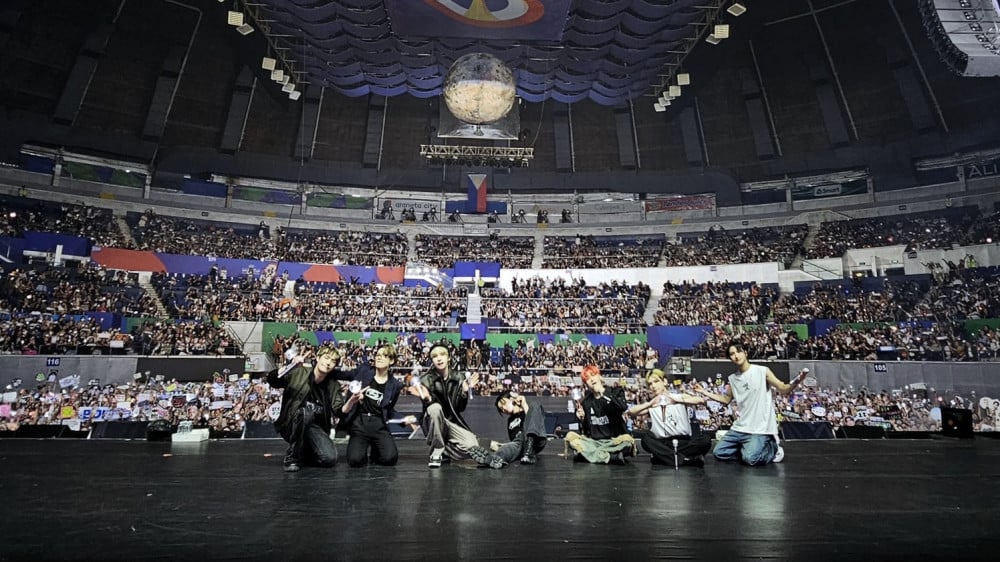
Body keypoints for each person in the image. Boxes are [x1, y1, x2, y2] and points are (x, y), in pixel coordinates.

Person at [694, 342, 807, 466]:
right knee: (719, 452)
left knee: (750, 459)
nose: (736, 356)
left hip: (759, 428)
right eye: (732, 354)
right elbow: (726, 399)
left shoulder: (762, 371)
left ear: (745, 353)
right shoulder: (732, 378)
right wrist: (704, 391)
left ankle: (773, 449)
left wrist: (798, 380)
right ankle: (748, 450)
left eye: (739, 351)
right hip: (741, 427)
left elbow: (783, 388)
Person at [410, 343, 504, 469]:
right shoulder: (425, 379)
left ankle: (445, 451)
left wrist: (464, 391)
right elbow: (430, 410)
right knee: (435, 408)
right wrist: (428, 398)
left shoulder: (458, 377)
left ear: (448, 357)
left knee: (471, 446)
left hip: (451, 424)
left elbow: (459, 408)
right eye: (434, 356)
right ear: (431, 360)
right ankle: (436, 453)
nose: (439, 358)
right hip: (433, 421)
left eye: (442, 354)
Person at [267, 347, 346, 472]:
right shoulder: (299, 372)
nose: (329, 362)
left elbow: (339, 410)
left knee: (329, 459)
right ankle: (292, 457)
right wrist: (290, 366)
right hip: (292, 421)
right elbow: (273, 380)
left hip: (315, 428)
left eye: (333, 361)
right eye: (326, 358)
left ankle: (303, 452)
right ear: (318, 358)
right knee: (305, 413)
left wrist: (352, 401)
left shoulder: (333, 384)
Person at [340, 345, 414, 468]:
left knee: (389, 458)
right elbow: (343, 375)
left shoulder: (395, 385)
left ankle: (375, 447)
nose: (379, 358)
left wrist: (403, 419)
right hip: (360, 423)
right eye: (378, 355)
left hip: (379, 424)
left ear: (391, 361)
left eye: (384, 356)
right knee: (355, 460)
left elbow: (389, 410)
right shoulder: (364, 371)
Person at [628, 369, 711, 467]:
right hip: (663, 443)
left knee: (706, 440)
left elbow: (700, 400)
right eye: (650, 384)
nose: (653, 386)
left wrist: (675, 400)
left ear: (665, 381)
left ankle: (664, 457)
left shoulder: (678, 397)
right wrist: (651, 403)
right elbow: (631, 412)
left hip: (683, 442)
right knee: (646, 440)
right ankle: (684, 460)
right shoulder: (652, 405)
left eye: (656, 381)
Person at [565, 365, 635, 465]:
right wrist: (582, 419)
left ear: (599, 376)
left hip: (614, 441)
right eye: (588, 379)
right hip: (594, 442)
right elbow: (586, 431)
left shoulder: (615, 392)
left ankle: (588, 455)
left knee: (628, 443)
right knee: (572, 439)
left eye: (593, 375)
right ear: (586, 384)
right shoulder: (586, 402)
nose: (592, 379)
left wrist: (603, 392)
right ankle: (611, 457)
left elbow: (622, 407)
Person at [491, 390, 547, 464]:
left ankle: (529, 452)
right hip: (520, 444)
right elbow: (515, 442)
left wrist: (523, 403)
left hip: (536, 439)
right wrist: (502, 446)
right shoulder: (510, 420)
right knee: (504, 448)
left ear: (511, 399)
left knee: (535, 405)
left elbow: (532, 422)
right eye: (501, 409)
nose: (503, 409)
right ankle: (494, 460)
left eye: (503, 404)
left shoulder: (528, 409)